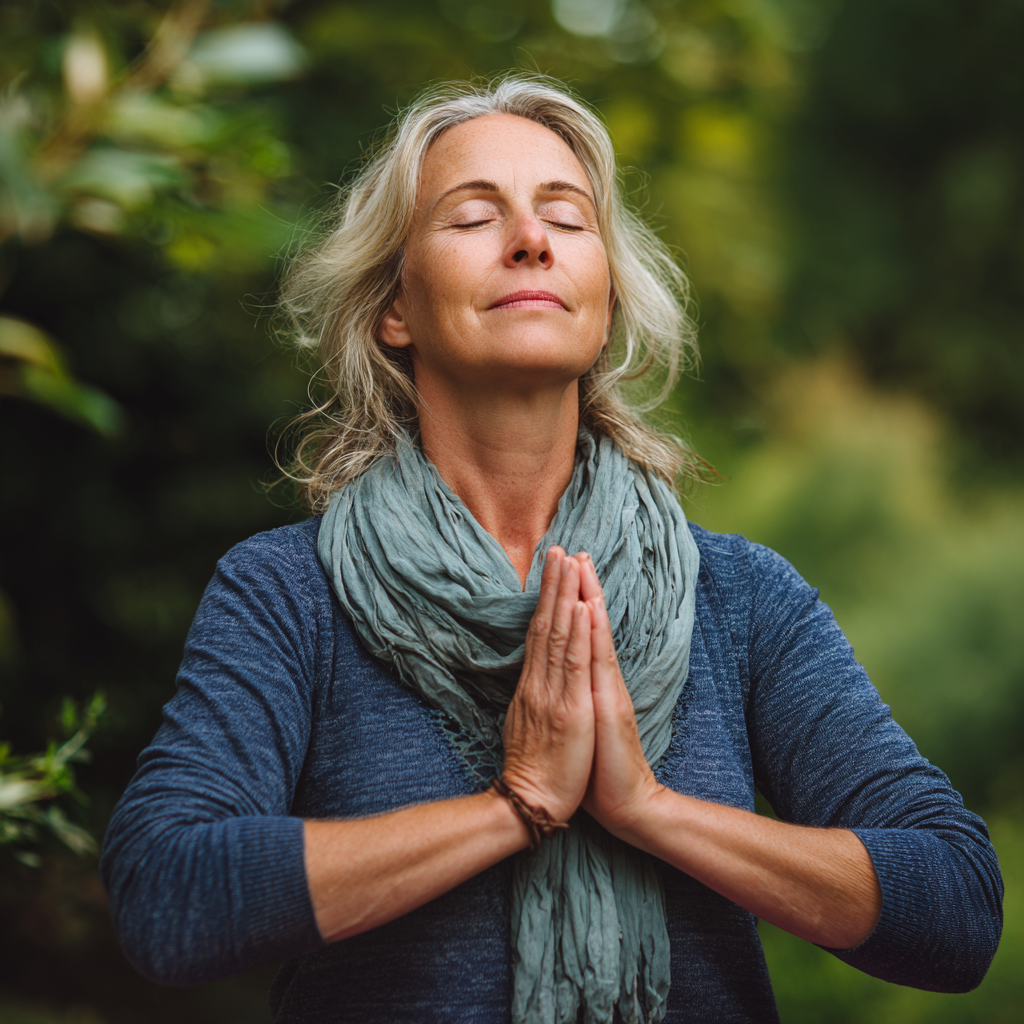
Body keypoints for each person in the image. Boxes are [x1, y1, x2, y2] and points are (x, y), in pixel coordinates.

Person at [101, 76, 1002, 1024]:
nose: (530, 240)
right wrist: (514, 803)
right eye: (472, 216)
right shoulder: (288, 593)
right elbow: (168, 895)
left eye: (566, 219)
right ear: (392, 307)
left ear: (603, 301)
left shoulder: (740, 599)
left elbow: (955, 907)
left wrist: (651, 809)